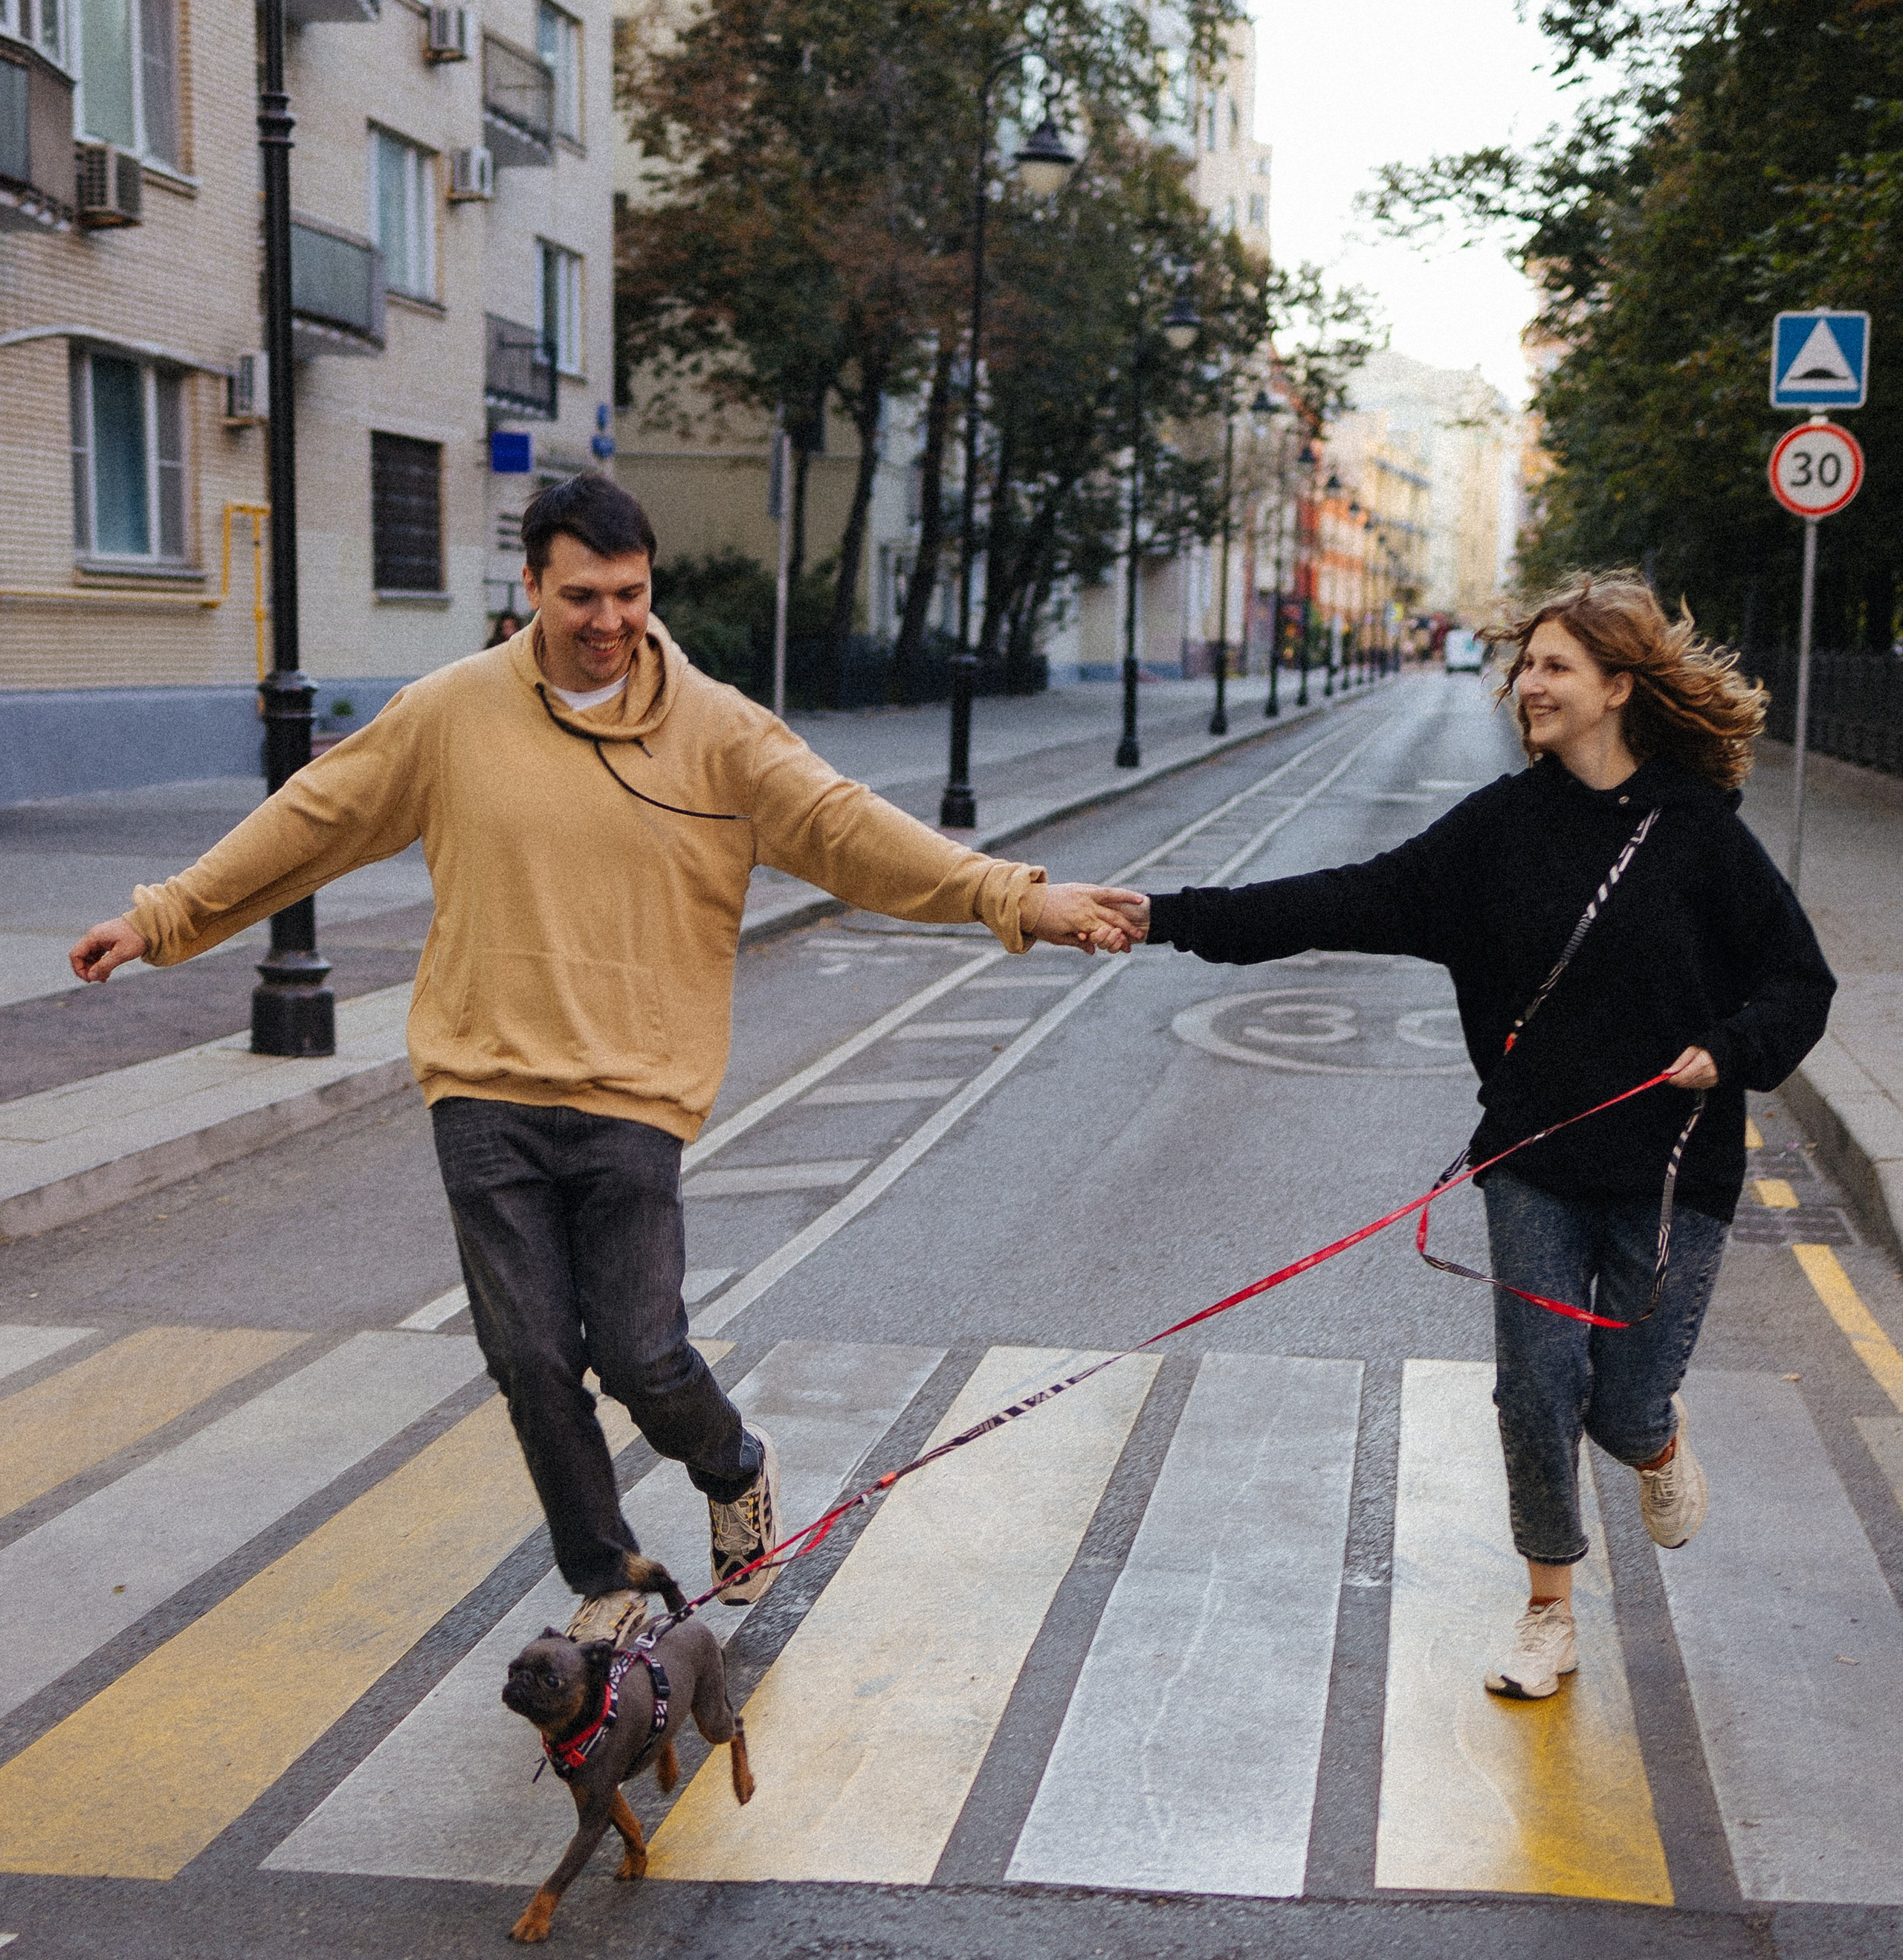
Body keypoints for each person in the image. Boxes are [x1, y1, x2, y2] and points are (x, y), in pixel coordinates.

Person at [71, 473, 1132, 1649]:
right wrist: (164, 918)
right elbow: (314, 816)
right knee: (529, 1356)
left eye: (628, 594)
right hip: (483, 1083)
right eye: (580, 595)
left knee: (639, 1351)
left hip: (636, 1090)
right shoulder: (450, 713)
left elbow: (850, 832)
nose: (607, 621)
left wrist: (1020, 899)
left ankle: (732, 1463)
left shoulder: (721, 734)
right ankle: (607, 1569)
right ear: (531, 586)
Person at [1096, 571, 1835, 1701]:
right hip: (1533, 1159)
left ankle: (1654, 1437)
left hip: (1673, 1168)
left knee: (1621, 1401)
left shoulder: (1701, 838)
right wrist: (1169, 916)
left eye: (1555, 668)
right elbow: (1343, 897)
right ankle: (1550, 1610)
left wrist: (1730, 1052)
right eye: (1526, 665)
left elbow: (1799, 981)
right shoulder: (1500, 831)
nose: (1527, 686)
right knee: (1535, 1387)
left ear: (1618, 689)